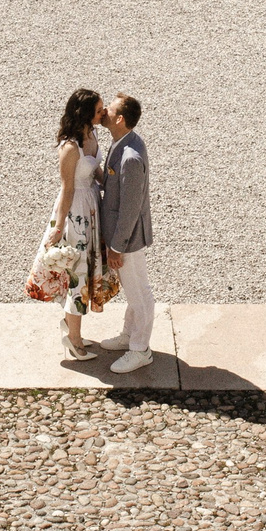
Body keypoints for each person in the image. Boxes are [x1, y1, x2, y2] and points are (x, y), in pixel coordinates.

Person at [41, 87, 105, 361]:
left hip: (92, 206)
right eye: (99, 110)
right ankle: (74, 340)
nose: (104, 114)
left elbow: (97, 171)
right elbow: (67, 189)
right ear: (85, 112)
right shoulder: (69, 147)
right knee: (78, 272)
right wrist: (58, 228)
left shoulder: (92, 134)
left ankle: (72, 328)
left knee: (89, 268)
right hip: (76, 211)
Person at [93, 95, 154, 373]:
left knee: (139, 293)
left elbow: (129, 209)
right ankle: (130, 335)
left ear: (120, 119)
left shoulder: (131, 157)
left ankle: (140, 350)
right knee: (134, 290)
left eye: (110, 110)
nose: (103, 112)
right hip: (124, 236)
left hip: (127, 238)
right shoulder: (123, 142)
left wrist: (116, 247)